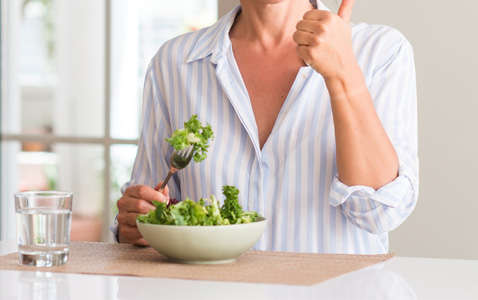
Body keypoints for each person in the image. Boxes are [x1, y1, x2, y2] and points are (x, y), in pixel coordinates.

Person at [113, 0, 418, 254]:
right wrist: (136, 225)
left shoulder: (381, 52)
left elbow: (379, 213)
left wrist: (343, 75)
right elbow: (148, 220)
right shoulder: (174, 63)